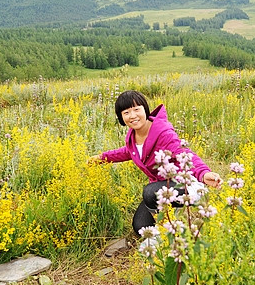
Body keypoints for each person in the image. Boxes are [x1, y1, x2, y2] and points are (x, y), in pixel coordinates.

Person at [90, 90, 222, 234]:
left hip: (184, 185)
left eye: (136, 109)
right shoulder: (133, 137)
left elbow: (185, 154)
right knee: (141, 227)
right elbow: (127, 152)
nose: (132, 116)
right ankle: (167, 230)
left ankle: (172, 225)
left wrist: (204, 174)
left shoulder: (163, 133)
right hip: (162, 188)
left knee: (150, 192)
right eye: (126, 112)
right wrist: (101, 158)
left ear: (145, 109)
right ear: (121, 118)